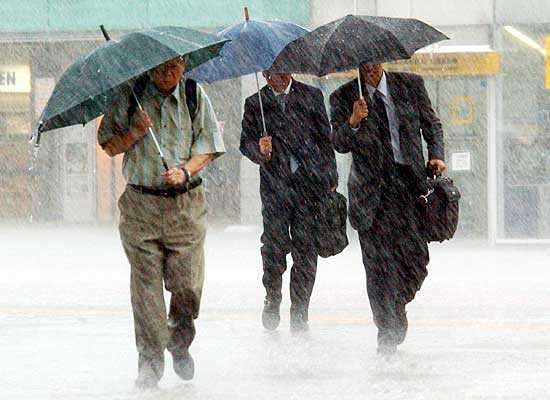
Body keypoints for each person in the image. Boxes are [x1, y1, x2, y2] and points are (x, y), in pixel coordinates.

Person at [98, 56, 225, 388]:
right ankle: (149, 363)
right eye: (161, 67)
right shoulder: (130, 95)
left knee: (187, 288)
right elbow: (110, 146)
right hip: (141, 208)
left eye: (175, 66)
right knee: (146, 294)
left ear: (184, 65)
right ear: (149, 67)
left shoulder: (195, 95)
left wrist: (185, 170)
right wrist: (134, 132)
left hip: (185, 207)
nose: (168, 73)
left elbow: (209, 148)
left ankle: (180, 342)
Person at [330, 63, 446, 354]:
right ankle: (386, 326)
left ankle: (396, 303)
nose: (370, 69)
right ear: (357, 65)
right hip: (371, 195)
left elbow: (431, 124)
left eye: (375, 63)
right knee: (378, 266)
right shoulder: (343, 97)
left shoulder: (410, 86)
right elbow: (339, 143)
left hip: (408, 187)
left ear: (383, 61)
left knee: (415, 259)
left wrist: (436, 155)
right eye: (365, 65)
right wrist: (354, 120)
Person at [240, 69, 338, 332]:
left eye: (282, 70)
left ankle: (300, 307)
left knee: (306, 249)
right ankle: (272, 296)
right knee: (274, 246)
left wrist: (330, 176)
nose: (276, 77)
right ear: (264, 73)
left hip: (309, 186)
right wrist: (259, 151)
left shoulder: (311, 96)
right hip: (275, 187)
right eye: (270, 72)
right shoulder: (255, 103)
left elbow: (324, 140)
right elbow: (244, 143)